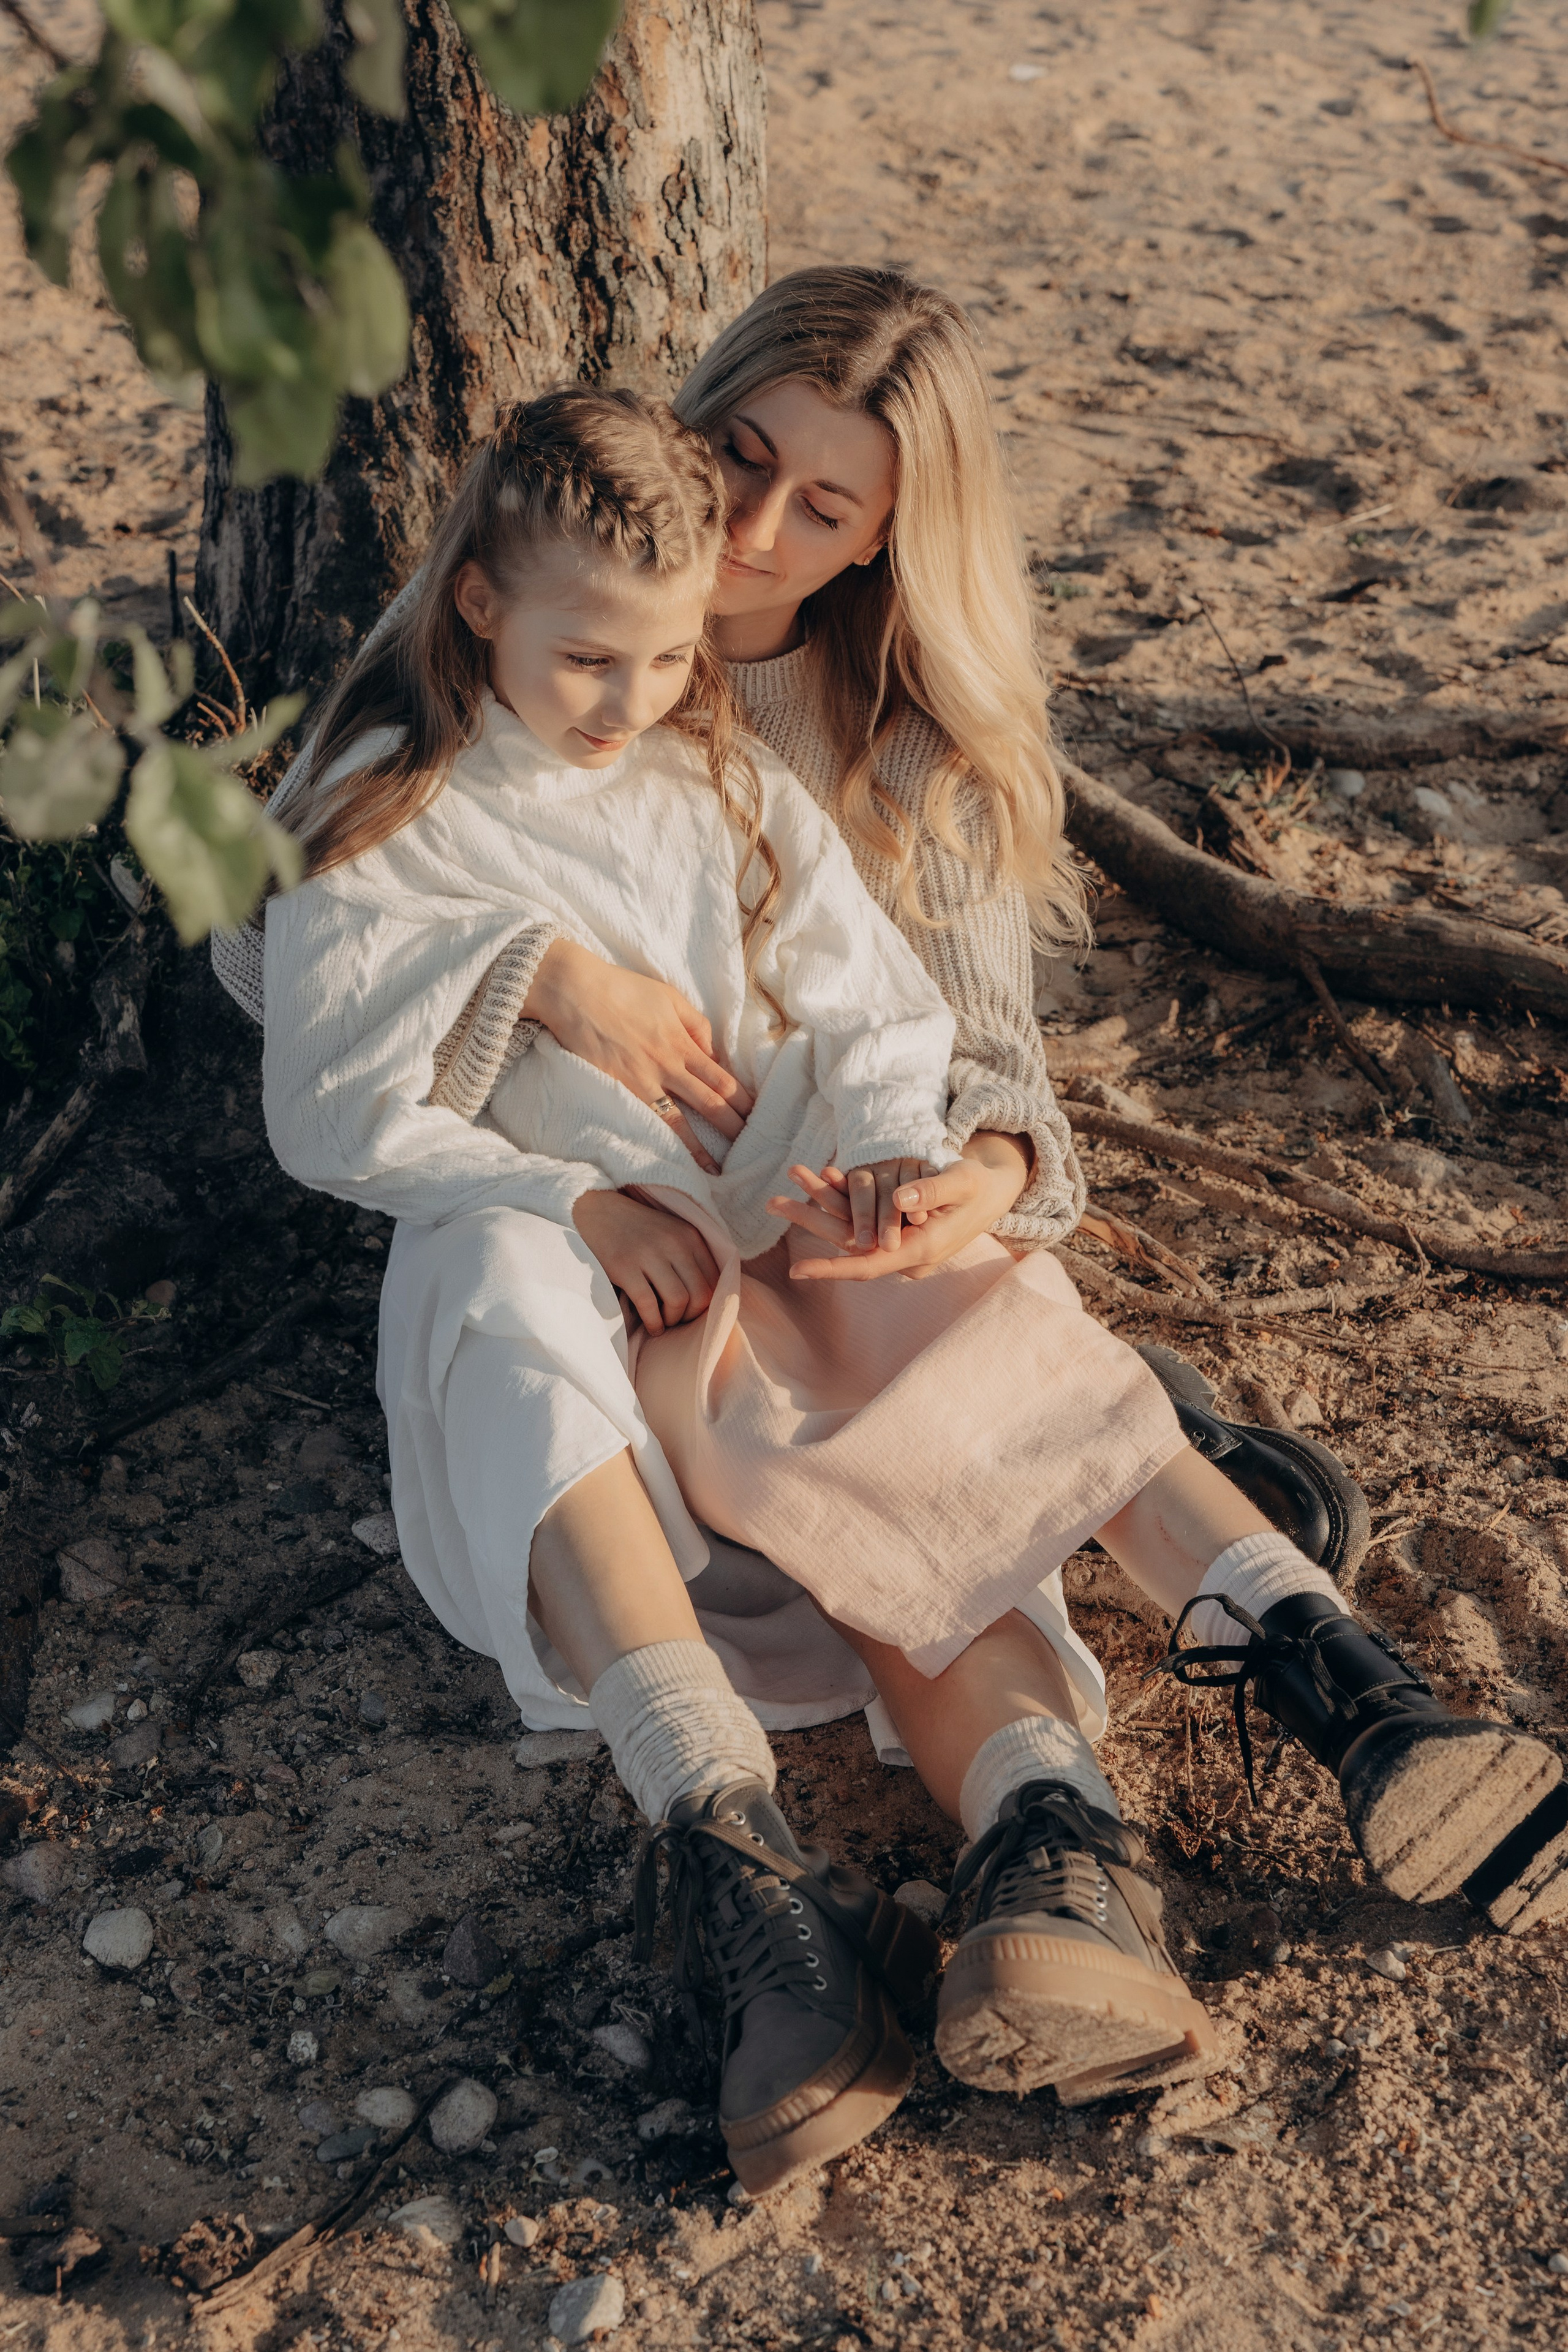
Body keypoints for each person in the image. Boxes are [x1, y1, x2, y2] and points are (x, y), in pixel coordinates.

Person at [243, 284, 1565, 2195]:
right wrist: (540, 984)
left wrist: (931, 1164)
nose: (758, 547)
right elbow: (307, 987)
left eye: (825, 511)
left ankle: (1284, 1712)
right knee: (513, 1274)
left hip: (790, 1244)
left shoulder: (785, 755)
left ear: (885, 541)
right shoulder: (470, 702)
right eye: (743, 470)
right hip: (612, 1295)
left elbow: (923, 1032)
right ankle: (748, 1857)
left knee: (962, 1312)